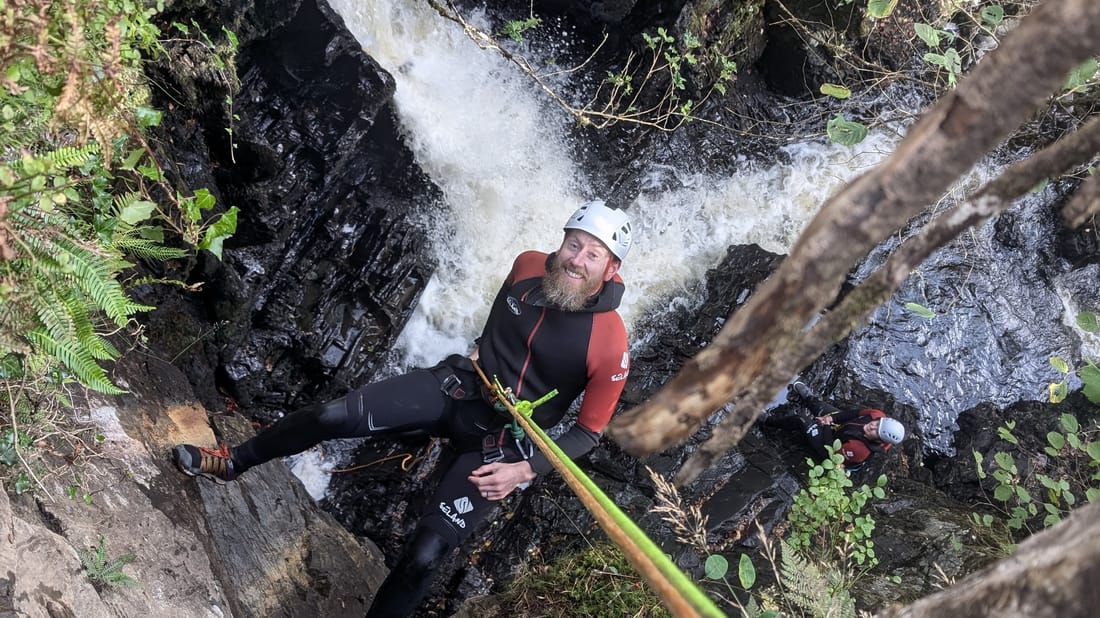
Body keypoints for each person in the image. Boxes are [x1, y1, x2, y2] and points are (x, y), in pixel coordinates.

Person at [171, 200, 633, 617]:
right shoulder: (529, 266)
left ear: (610, 268)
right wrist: (479, 350)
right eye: (574, 244)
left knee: (424, 556)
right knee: (330, 416)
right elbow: (498, 320)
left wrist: (523, 471)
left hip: (503, 446)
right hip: (459, 388)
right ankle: (232, 461)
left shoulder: (610, 342)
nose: (577, 259)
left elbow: (588, 434)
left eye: (593, 255)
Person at [768, 381, 905, 471]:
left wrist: (826, 426)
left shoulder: (860, 451)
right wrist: (831, 418)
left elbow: (831, 449)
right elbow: (852, 414)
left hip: (829, 448)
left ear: (879, 440)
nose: (872, 426)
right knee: (820, 406)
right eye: (877, 423)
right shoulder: (876, 414)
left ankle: (769, 421)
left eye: (876, 431)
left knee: (801, 420)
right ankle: (808, 397)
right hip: (843, 427)